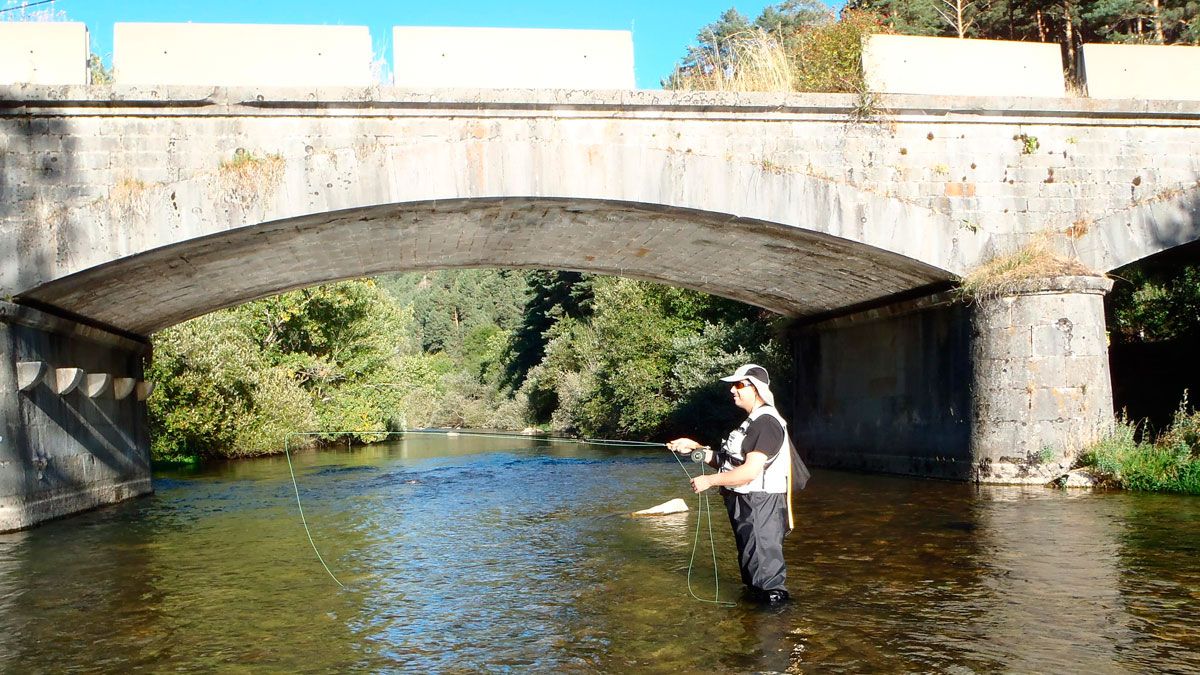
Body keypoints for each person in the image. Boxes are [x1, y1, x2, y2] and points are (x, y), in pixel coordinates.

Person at [667, 364, 796, 604]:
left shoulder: (766, 423)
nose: (732, 391)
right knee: (752, 570)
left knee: (767, 582)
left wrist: (709, 481)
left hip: (760, 503)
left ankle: (774, 632)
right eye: (732, 386)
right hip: (748, 504)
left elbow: (749, 471)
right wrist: (695, 448)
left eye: (738, 385)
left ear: (755, 388)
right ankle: (755, 633)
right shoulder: (752, 422)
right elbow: (728, 461)